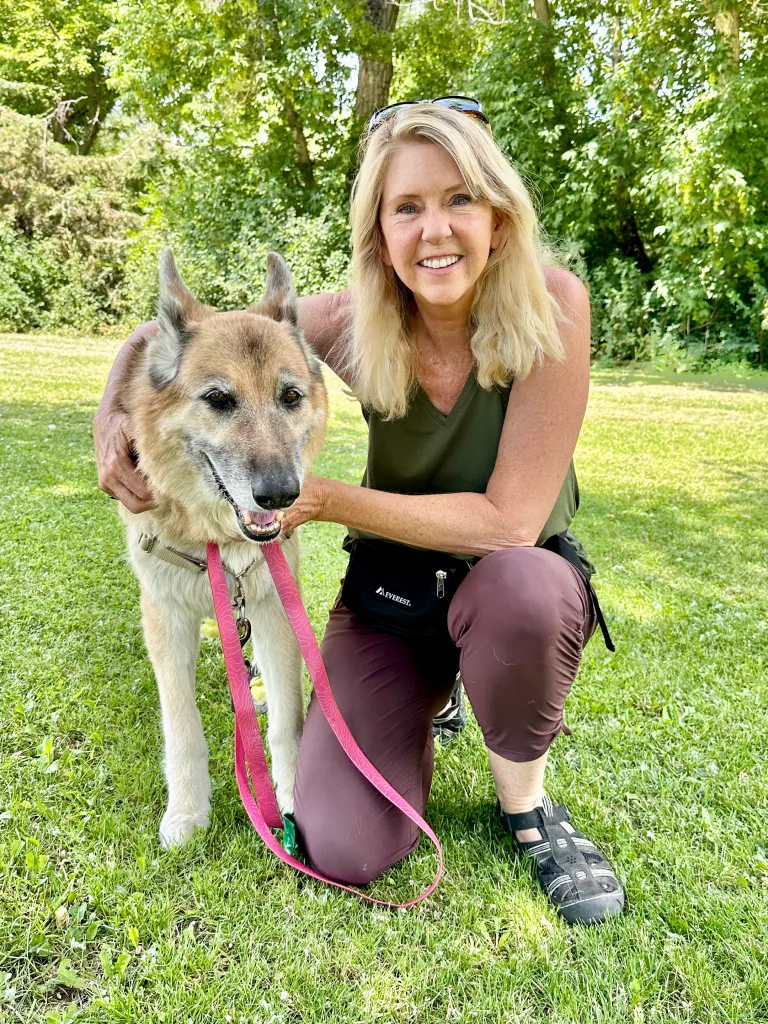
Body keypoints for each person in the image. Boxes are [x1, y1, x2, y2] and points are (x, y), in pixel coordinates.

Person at [95, 97, 624, 924]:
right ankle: (429, 694)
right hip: (396, 591)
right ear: (379, 229)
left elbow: (509, 522)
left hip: (508, 573)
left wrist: (325, 499)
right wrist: (111, 421)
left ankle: (527, 807)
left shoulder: (553, 304)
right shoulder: (350, 319)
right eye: (406, 207)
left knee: (524, 586)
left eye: (459, 198)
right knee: (342, 844)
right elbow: (175, 339)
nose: (436, 229)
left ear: (499, 212)